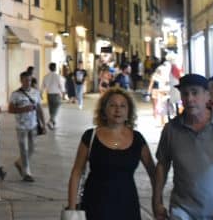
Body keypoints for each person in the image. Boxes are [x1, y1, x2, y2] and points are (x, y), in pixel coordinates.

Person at [152, 74, 213, 220]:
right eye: (185, 94)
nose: (189, 99)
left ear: (207, 96)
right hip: (182, 211)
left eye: (195, 92)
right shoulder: (171, 129)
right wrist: (157, 200)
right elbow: (162, 165)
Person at [66, 88, 156, 219]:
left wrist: (157, 202)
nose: (118, 110)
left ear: (128, 112)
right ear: (104, 110)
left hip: (127, 205)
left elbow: (153, 173)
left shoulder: (137, 139)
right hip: (95, 205)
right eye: (113, 105)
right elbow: (76, 173)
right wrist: (72, 208)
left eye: (122, 106)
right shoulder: (90, 136)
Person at [8, 71, 45, 182]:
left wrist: (43, 124)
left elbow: (39, 108)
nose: (28, 82)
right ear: (21, 81)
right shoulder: (15, 94)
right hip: (21, 127)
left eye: (29, 80)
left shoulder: (35, 92)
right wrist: (23, 109)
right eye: (25, 80)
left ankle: (19, 163)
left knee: (32, 149)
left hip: (33, 125)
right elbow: (10, 109)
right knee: (23, 149)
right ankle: (26, 173)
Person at [41, 62, 64, 129]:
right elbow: (61, 86)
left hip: (49, 95)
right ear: (55, 68)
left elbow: (42, 86)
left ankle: (52, 123)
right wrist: (63, 93)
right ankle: (50, 121)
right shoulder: (58, 76)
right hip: (56, 95)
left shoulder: (45, 76)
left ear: (49, 68)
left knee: (51, 110)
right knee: (56, 109)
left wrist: (41, 94)